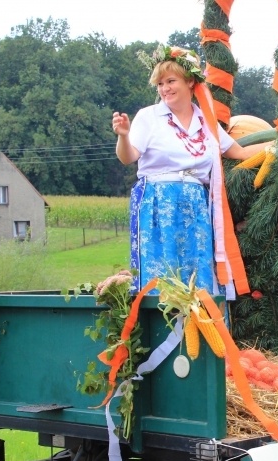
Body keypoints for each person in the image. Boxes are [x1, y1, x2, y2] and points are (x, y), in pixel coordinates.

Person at [112, 45, 269, 299]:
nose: (165, 89)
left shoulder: (206, 121)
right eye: (160, 84)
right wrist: (123, 136)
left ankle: (202, 331)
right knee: (162, 272)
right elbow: (128, 157)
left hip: (195, 204)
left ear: (190, 82)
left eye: (171, 81)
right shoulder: (149, 117)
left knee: (197, 274)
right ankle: (161, 333)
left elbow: (238, 152)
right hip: (158, 202)